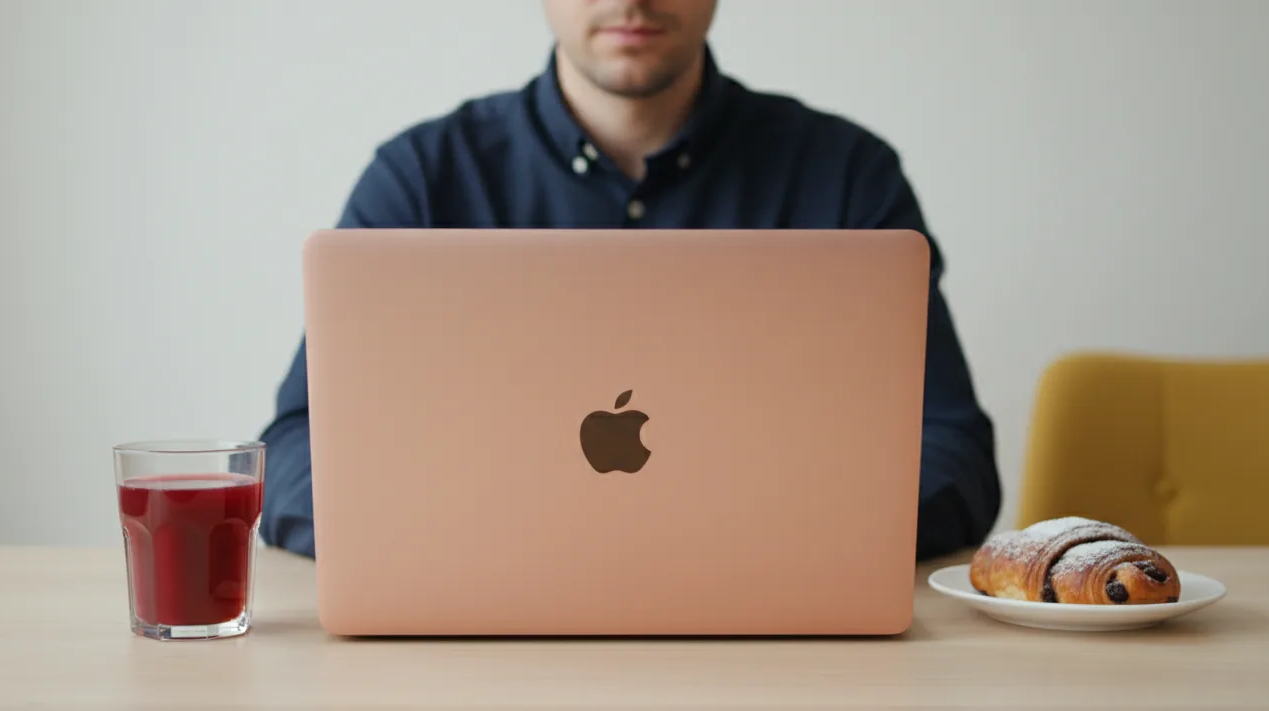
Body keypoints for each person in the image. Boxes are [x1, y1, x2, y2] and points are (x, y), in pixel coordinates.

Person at [259, 0, 1002, 561]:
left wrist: (774, 549)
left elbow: (950, 450)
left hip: (776, 654)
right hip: (481, 650)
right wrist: (471, 548)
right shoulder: (422, 179)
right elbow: (299, 447)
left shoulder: (846, 176)